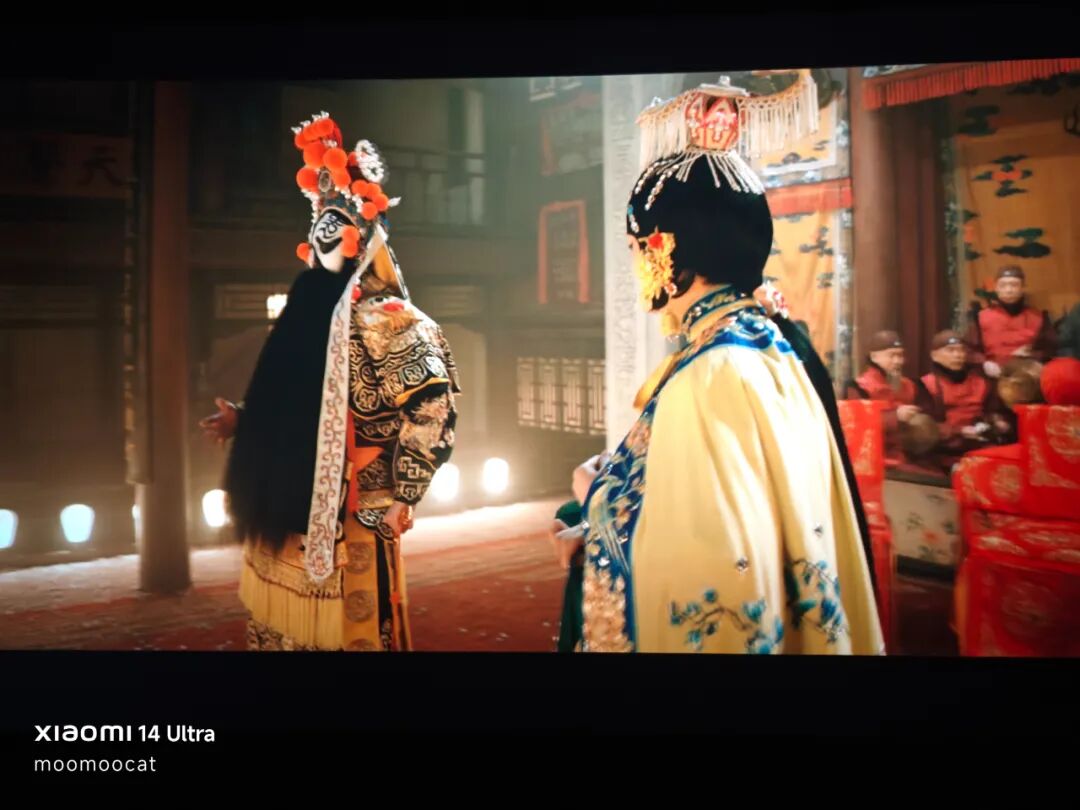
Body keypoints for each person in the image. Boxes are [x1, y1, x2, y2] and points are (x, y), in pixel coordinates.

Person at [554, 79, 882, 654]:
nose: (634, 266)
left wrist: (595, 495)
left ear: (662, 251)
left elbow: (712, 571)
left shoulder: (710, 375)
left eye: (634, 249)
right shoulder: (772, 343)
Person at [199, 114, 460, 651]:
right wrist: (246, 419)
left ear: (361, 237)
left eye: (335, 224)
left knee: (351, 633)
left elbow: (432, 404)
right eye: (318, 223)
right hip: (284, 500)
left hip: (354, 509)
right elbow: (299, 397)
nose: (322, 236)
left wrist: (405, 492)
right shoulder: (308, 310)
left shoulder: (388, 319)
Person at [916, 330, 1003, 467]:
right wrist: (959, 431)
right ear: (934, 355)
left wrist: (996, 422)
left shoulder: (982, 382)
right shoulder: (926, 385)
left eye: (961, 350)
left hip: (981, 444)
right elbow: (925, 426)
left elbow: (991, 411)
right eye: (950, 350)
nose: (958, 355)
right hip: (944, 450)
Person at [966, 265, 1056, 378]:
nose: (1008, 290)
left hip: (1027, 378)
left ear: (1023, 288)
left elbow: (1049, 350)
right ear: (996, 288)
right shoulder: (981, 317)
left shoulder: (1039, 317)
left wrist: (1030, 357)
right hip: (992, 377)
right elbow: (970, 350)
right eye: (1003, 285)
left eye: (1014, 285)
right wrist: (984, 363)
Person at [845, 330, 920, 467]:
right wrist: (895, 416)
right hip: (873, 457)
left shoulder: (909, 385)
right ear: (874, 357)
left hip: (906, 455)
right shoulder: (858, 386)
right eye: (892, 355)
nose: (897, 361)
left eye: (900, 355)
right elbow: (857, 425)